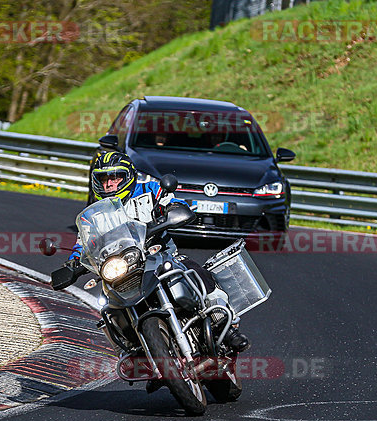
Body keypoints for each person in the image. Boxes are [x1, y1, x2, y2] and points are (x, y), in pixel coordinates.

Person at [68, 151, 250, 360]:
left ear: (128, 176)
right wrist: (73, 262)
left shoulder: (150, 190)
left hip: (160, 256)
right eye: (104, 179)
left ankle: (225, 326)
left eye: (115, 177)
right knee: (106, 306)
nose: (109, 184)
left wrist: (174, 209)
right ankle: (131, 353)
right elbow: (82, 244)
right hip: (122, 271)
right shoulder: (93, 216)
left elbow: (172, 202)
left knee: (192, 269)